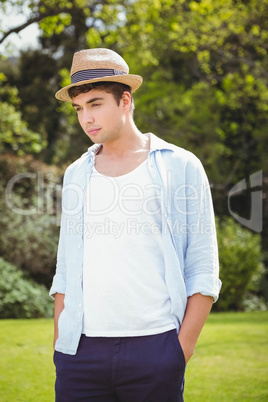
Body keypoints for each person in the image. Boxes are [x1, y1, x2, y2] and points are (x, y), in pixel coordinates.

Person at [50, 48, 221, 402]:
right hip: (79, 353)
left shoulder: (181, 166)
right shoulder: (75, 175)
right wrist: (60, 345)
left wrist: (179, 351)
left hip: (156, 348)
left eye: (95, 104)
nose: (86, 118)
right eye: (79, 108)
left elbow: (203, 269)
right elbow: (65, 269)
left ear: (125, 100)